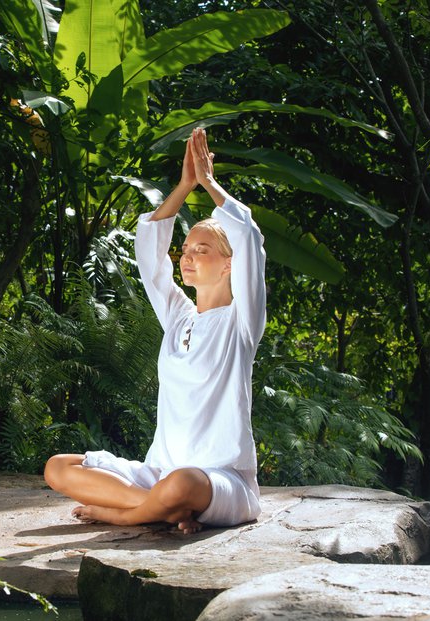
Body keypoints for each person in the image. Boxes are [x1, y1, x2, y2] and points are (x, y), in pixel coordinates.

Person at [44, 127, 266, 534]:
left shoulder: (241, 322)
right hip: (160, 473)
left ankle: (128, 513)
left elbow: (249, 236)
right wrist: (183, 186)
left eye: (202, 250)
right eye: (185, 251)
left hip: (219, 480)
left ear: (229, 264)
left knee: (184, 482)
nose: (188, 258)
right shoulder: (179, 317)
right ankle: (162, 508)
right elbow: (150, 259)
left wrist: (209, 183)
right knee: (59, 468)